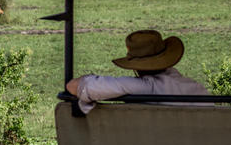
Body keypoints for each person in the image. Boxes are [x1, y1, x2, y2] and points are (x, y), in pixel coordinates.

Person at [65, 30, 207, 114]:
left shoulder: (143, 87)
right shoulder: (197, 89)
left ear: (135, 66)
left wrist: (89, 77)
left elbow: (74, 86)